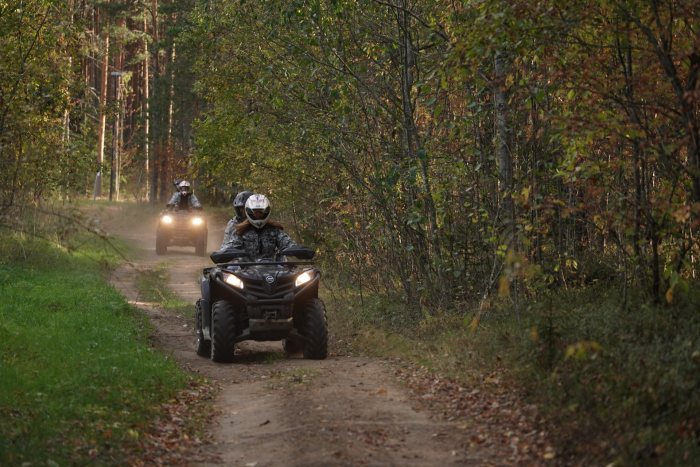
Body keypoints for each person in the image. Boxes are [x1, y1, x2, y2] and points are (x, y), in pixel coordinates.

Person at [221, 194, 297, 261]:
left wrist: (295, 249)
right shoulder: (241, 231)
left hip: (272, 268)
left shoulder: (274, 230)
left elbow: (287, 242)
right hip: (245, 269)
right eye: (255, 212)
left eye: (261, 212)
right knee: (226, 272)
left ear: (266, 212)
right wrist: (225, 251)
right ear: (249, 212)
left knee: (296, 274)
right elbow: (232, 244)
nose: (258, 215)